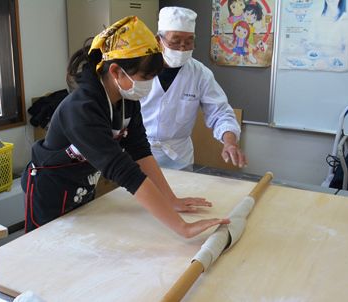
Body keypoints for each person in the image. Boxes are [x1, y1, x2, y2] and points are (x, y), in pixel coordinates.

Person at [22, 16, 229, 237]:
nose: (149, 84)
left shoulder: (126, 99)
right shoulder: (82, 109)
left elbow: (139, 150)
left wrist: (171, 200)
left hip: (82, 185)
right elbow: (125, 171)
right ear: (116, 72)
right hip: (50, 191)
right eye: (145, 77)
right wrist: (182, 227)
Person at [140, 7, 247, 170]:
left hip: (178, 157)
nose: (182, 48)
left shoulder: (200, 74)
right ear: (158, 40)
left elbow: (220, 112)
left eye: (189, 41)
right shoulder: (139, 68)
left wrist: (230, 143)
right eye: (175, 41)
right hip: (139, 153)